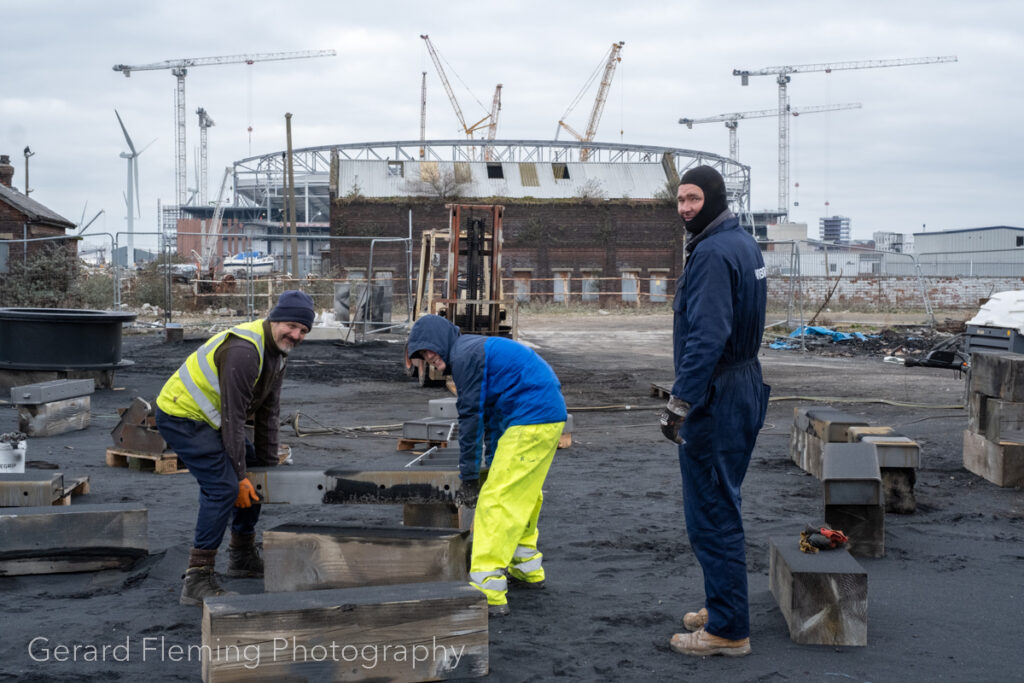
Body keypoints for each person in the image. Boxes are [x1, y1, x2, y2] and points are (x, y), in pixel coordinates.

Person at [659, 166, 770, 656]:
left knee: (712, 513)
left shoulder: (710, 254)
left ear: (715, 198)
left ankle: (727, 630)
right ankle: (724, 604)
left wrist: (681, 402)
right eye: (680, 199)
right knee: (726, 500)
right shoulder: (744, 245)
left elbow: (706, 336)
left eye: (693, 198)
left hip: (718, 393)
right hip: (745, 384)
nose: (685, 207)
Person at [154, 290, 315, 606]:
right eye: (292, 326)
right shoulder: (245, 351)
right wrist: (239, 476)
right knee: (223, 487)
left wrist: (266, 473)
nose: (296, 335)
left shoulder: (278, 354)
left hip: (212, 419)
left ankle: (241, 556)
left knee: (253, 476)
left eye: (304, 331)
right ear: (275, 318)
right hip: (182, 415)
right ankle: (198, 578)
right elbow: (234, 418)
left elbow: (269, 412)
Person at [406, 314, 566, 617]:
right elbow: (491, 418)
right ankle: (526, 567)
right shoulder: (475, 350)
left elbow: (471, 419)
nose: (429, 359)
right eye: (423, 356)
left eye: (429, 350)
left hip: (531, 418)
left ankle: (486, 587)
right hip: (544, 416)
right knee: (524, 494)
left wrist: (469, 477)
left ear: (441, 340)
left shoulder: (466, 356)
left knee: (497, 500)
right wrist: (491, 464)